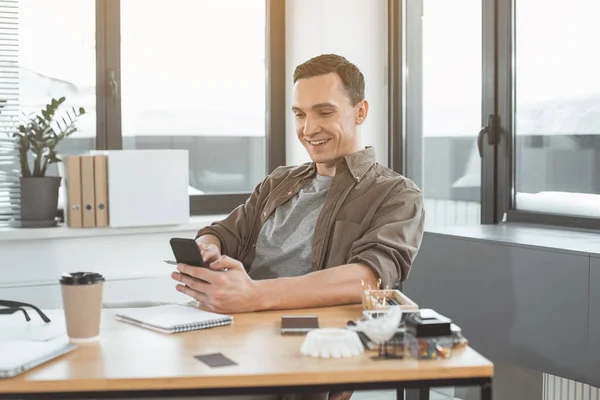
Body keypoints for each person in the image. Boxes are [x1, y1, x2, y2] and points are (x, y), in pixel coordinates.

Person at [171, 53, 425, 400]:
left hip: (303, 350)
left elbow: (369, 277)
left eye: (324, 112)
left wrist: (253, 296)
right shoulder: (280, 181)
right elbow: (225, 231)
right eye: (300, 114)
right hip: (237, 331)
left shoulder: (395, 194)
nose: (309, 129)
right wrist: (208, 249)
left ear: (361, 111)